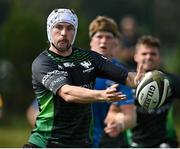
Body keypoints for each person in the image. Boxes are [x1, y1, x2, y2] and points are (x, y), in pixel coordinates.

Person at [23, 8, 143, 148]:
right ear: (49, 30)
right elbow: (67, 93)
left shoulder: (88, 57)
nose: (64, 33)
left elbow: (127, 77)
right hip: (48, 143)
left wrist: (141, 80)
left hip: (82, 144)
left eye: (69, 28)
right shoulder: (43, 62)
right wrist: (101, 95)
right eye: (58, 27)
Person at [106, 35, 180, 148]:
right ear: (135, 56)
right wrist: (117, 123)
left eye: (153, 54)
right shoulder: (125, 82)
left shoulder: (171, 81)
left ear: (159, 57)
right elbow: (112, 113)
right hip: (132, 144)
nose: (149, 57)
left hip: (165, 143)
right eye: (144, 53)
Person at [89, 16, 136, 148]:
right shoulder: (75, 69)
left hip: (109, 143)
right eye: (99, 36)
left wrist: (120, 124)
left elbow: (130, 116)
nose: (103, 41)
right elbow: (35, 111)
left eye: (108, 37)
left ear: (116, 42)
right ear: (91, 41)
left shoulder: (121, 74)